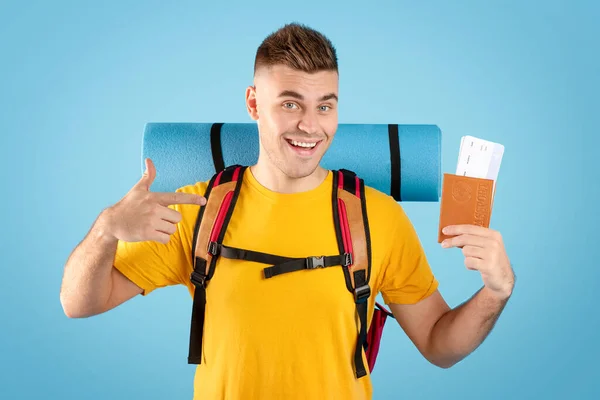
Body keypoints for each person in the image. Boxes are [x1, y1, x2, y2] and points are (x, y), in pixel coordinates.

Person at [60, 22, 515, 400]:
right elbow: (79, 303)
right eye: (291, 103)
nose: (310, 126)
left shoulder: (378, 218)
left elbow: (439, 344)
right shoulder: (197, 209)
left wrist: (496, 292)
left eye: (325, 106)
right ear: (254, 104)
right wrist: (104, 231)